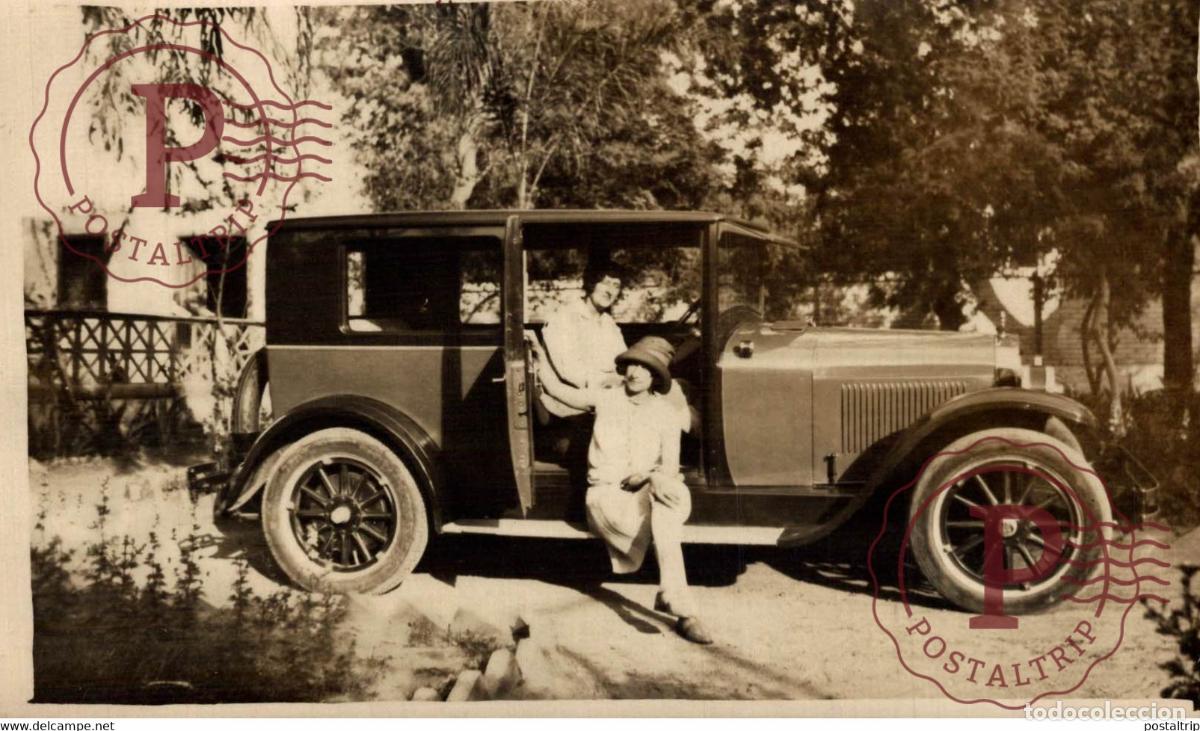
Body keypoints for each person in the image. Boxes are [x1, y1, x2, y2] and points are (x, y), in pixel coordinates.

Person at [529, 334, 714, 645]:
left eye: (644, 368)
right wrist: (537, 354)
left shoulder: (668, 414)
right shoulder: (605, 398)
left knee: (669, 495)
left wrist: (650, 476)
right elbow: (558, 391)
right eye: (631, 365)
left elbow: (669, 468)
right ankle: (683, 610)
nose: (634, 373)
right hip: (608, 498)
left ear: (656, 376)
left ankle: (676, 598)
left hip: (649, 493)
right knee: (664, 509)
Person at [537, 258, 628, 418]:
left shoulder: (608, 323)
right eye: (605, 283)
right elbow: (570, 372)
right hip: (569, 398)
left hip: (605, 390)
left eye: (616, 286)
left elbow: (623, 361)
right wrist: (611, 381)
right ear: (592, 283)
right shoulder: (564, 318)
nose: (610, 291)